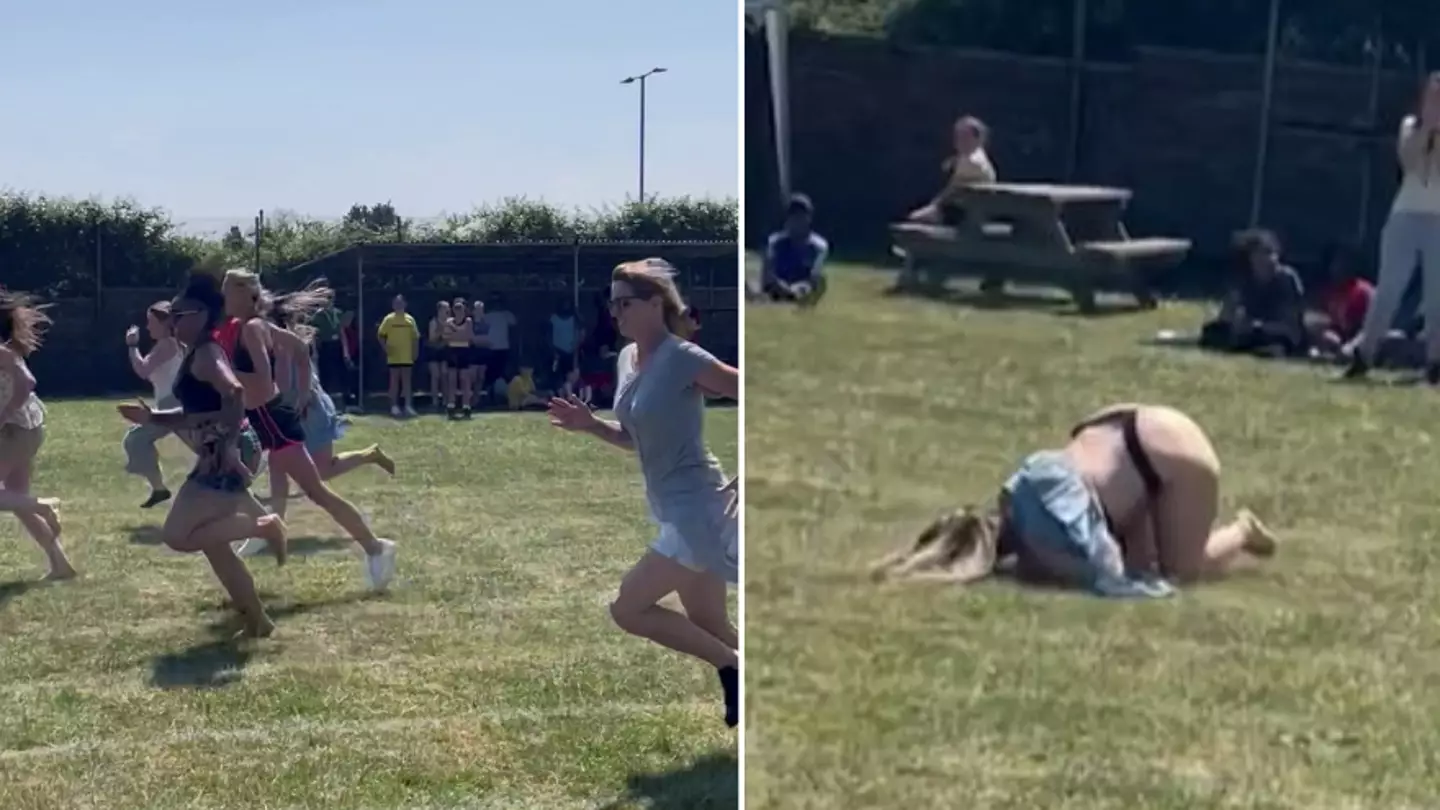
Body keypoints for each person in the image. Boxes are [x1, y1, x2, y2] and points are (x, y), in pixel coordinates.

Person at [547, 258, 741, 728]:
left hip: (696, 510)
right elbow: (637, 436)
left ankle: (735, 671)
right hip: (672, 509)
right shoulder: (628, 360)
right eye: (612, 305)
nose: (616, 314)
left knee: (628, 608)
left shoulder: (683, 357)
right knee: (712, 627)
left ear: (656, 304)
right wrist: (592, 426)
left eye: (626, 304)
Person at [871, 404, 1278, 594]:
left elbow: (1112, 577)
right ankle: (1223, 529)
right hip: (1126, 422)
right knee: (1151, 556)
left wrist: (1042, 569)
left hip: (1174, 460)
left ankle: (1242, 531)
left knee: (1181, 572)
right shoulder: (1017, 485)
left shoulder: (1044, 540)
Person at [116, 274, 285, 636]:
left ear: (204, 315)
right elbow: (198, 413)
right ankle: (258, 620)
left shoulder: (206, 353)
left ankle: (265, 526)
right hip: (222, 449)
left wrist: (226, 449)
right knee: (213, 542)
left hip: (227, 450)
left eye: (181, 314)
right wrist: (152, 417)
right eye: (172, 314)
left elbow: (235, 394)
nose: (173, 321)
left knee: (178, 535)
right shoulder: (196, 352)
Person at [219, 269, 397, 590]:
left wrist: (224, 375)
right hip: (271, 419)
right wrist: (299, 394)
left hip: (274, 421)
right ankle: (268, 529)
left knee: (317, 491)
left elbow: (262, 375)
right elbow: (301, 352)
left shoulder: (253, 329)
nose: (224, 297)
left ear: (247, 295)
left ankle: (376, 547)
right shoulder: (256, 326)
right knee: (265, 479)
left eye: (229, 291)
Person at [250, 296, 396, 532]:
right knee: (278, 464)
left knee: (321, 470)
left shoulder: (284, 344)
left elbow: (290, 382)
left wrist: (286, 406)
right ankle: (275, 525)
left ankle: (370, 455)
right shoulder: (271, 344)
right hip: (293, 410)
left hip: (308, 410)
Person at [1346, 72, 1440, 381]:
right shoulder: (1410, 127)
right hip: (1405, 216)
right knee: (1389, 289)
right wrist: (1428, 127)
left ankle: (1435, 362)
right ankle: (1365, 353)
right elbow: (1409, 163)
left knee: (1437, 294)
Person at [0, 289, 72, 581]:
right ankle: (61, 565)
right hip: (27, 429)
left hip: (14, 430)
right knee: (17, 500)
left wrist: (3, 414)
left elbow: (27, 382)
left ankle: (45, 505)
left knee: (21, 501)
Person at [1198, 229, 1306, 357]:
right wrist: (1235, 320)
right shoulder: (1243, 278)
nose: (1270, 259)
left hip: (1277, 330)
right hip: (1249, 329)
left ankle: (1268, 348)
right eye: (1263, 253)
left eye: (1272, 253)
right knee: (1214, 332)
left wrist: (1259, 326)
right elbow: (1228, 312)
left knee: (1280, 338)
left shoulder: (1287, 279)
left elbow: (1291, 321)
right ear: (1250, 257)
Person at [122, 301, 184, 508]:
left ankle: (159, 489)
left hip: (171, 403)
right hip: (171, 401)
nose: (148, 327)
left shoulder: (167, 344)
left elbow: (143, 370)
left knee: (136, 439)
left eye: (151, 322)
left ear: (166, 323)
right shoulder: (172, 343)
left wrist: (132, 346)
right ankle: (159, 489)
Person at [906, 115, 998, 224]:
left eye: (964, 136)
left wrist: (933, 207)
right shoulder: (969, 158)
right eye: (957, 136)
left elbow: (952, 192)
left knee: (915, 220)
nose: (958, 141)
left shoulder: (972, 162)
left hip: (964, 214)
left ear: (977, 139)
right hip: (965, 210)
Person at [756, 193, 830, 306]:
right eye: (794, 217)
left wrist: (800, 287)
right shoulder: (775, 242)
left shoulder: (819, 246)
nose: (798, 222)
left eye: (801, 217)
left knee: (821, 281)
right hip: (777, 287)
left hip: (803, 288)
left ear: (809, 219)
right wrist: (782, 286)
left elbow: (815, 274)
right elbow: (768, 272)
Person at [1309, 242, 1375, 359]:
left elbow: (1369, 328)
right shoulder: (1327, 291)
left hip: (1361, 338)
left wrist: (1350, 345)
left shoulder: (1364, 291)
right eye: (1336, 262)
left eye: (1345, 262)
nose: (1340, 267)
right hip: (1338, 339)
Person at [377, 294, 419, 417]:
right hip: (394, 356)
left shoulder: (410, 319)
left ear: (405, 304)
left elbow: (415, 337)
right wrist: (386, 348)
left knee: (407, 382)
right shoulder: (388, 319)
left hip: (407, 355)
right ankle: (394, 407)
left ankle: (408, 406)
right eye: (396, 303)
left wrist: (415, 352)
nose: (398, 305)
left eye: (400, 303)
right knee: (394, 382)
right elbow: (380, 335)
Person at [311, 297, 348, 411]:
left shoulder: (337, 313)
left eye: (331, 299)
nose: (329, 301)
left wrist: (346, 351)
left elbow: (342, 331)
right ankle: (325, 403)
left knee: (339, 373)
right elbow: (314, 334)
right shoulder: (318, 315)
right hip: (325, 345)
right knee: (325, 374)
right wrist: (315, 350)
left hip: (337, 345)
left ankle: (341, 403)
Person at [443, 296, 474, 418]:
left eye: (461, 308)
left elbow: (469, 337)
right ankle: (451, 405)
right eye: (456, 308)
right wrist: (459, 334)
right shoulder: (449, 322)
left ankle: (466, 406)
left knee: (465, 379)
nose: (458, 310)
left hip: (464, 351)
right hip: (452, 351)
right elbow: (446, 337)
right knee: (452, 379)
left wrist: (456, 334)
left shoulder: (468, 321)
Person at [480, 295, 518, 394]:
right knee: (489, 372)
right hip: (490, 348)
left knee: (501, 371)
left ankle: (499, 392)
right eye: (494, 302)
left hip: (503, 348)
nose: (497, 304)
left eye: (498, 302)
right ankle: (489, 392)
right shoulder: (486, 316)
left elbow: (514, 323)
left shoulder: (507, 314)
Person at [426, 300, 451, 411]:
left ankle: (446, 400)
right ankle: (435, 401)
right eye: (445, 309)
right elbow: (432, 338)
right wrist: (441, 330)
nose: (447, 311)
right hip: (434, 351)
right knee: (435, 376)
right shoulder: (434, 322)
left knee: (445, 375)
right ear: (440, 310)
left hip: (445, 351)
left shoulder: (450, 322)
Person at [550, 300, 580, 379]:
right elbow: (548, 335)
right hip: (557, 351)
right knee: (556, 372)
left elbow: (579, 333)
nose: (565, 307)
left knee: (569, 373)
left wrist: (575, 346)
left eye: (567, 305)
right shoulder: (553, 318)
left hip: (570, 351)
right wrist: (552, 349)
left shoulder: (574, 319)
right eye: (564, 305)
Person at [469, 300, 490, 406]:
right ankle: (468, 398)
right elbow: (472, 339)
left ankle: (476, 400)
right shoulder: (470, 323)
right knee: (472, 377)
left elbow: (488, 339)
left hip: (483, 352)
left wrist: (479, 340)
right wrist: (479, 340)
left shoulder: (486, 323)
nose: (480, 311)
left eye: (481, 309)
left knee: (480, 377)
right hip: (472, 353)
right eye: (477, 309)